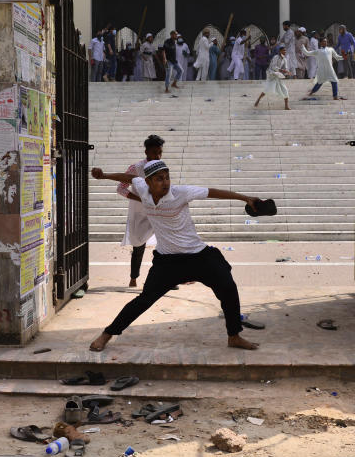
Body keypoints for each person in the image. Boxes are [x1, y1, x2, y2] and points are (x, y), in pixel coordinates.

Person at [88, 159, 261, 351]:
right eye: (160, 179)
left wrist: (245, 198)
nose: (166, 182)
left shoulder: (180, 192)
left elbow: (213, 192)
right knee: (144, 300)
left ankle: (234, 336)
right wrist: (104, 176)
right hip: (167, 262)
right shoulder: (141, 187)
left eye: (167, 177)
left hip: (198, 256)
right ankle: (107, 334)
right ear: (148, 182)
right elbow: (129, 178)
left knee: (228, 287)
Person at [117, 135, 164, 287]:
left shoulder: (162, 167)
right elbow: (121, 188)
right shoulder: (135, 168)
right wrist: (141, 199)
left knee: (165, 244)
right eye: (154, 152)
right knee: (139, 246)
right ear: (146, 152)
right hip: (140, 214)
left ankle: (166, 277)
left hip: (158, 212)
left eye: (160, 152)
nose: (157, 156)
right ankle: (133, 278)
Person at [253, 45, 291, 110]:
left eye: (285, 50)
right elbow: (273, 67)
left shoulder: (285, 59)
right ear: (280, 51)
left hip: (278, 76)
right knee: (267, 89)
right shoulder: (276, 57)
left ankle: (286, 106)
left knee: (285, 89)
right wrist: (282, 70)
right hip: (272, 75)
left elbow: (286, 67)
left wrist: (287, 72)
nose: (285, 51)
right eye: (283, 50)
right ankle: (258, 100)